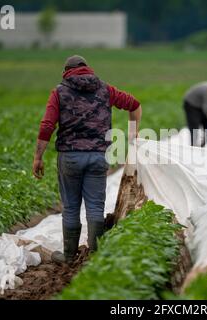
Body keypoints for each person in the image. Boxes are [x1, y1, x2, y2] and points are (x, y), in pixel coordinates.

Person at [32, 55, 142, 264]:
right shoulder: (105, 89)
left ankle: (69, 256)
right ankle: (96, 256)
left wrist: (38, 157)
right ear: (87, 69)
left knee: (71, 207)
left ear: (66, 71)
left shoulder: (59, 92)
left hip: (70, 157)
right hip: (98, 156)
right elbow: (134, 105)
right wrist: (133, 133)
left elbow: (47, 125)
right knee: (95, 207)